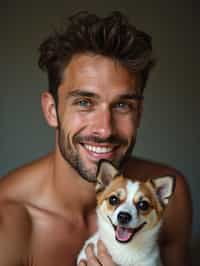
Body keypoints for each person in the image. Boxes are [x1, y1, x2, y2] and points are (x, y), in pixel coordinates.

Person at [0, 11, 192, 266]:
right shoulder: (9, 220)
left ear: (139, 112)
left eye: (122, 105)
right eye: (84, 102)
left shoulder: (170, 197)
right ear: (51, 110)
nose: (105, 130)